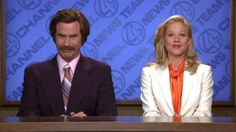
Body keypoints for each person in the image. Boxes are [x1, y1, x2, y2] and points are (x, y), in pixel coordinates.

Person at [17, 8, 117, 117]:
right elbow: (27, 116)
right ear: (54, 37)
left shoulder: (101, 71)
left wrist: (88, 122)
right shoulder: (34, 73)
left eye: (73, 36)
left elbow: (109, 115)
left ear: (82, 38)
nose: (66, 43)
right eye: (61, 36)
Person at [140, 15, 213, 117]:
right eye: (171, 35)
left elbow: (204, 112)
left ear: (189, 41)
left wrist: (183, 124)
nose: (176, 39)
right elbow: (150, 113)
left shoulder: (204, 72)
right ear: (163, 41)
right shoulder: (149, 73)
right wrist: (170, 124)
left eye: (182, 35)